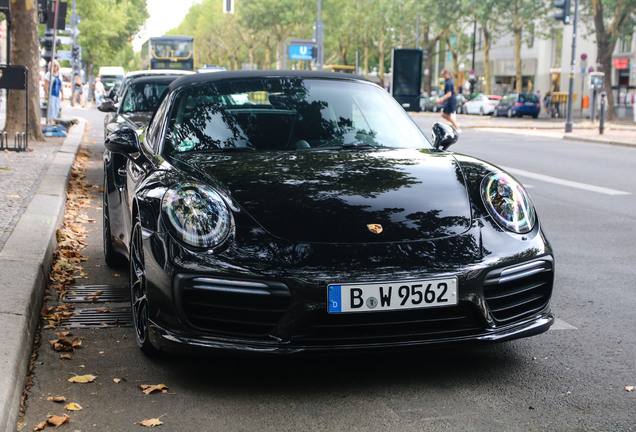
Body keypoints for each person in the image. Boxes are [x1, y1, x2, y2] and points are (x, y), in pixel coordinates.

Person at [435, 69, 461, 133]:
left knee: (444, 114)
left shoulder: (448, 82)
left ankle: (457, 126)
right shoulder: (448, 81)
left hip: (450, 100)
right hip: (450, 100)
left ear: (447, 74)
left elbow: (449, 94)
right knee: (447, 115)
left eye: (443, 74)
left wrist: (440, 100)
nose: (442, 76)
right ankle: (455, 125)